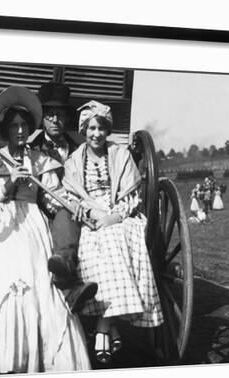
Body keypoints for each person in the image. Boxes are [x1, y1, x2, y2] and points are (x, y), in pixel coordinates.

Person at [0, 86, 91, 375]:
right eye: (14, 125)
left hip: (31, 221)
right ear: (5, 128)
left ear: (30, 128)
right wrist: (5, 187)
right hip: (1, 222)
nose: (20, 130)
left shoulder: (40, 160)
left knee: (39, 278)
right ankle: (1, 359)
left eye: (24, 125)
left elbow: (53, 200)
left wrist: (69, 206)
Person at [63, 100, 164, 364]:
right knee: (88, 247)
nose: (96, 134)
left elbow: (131, 194)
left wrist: (115, 216)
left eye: (101, 128)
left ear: (107, 131)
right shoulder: (75, 160)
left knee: (118, 236)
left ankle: (103, 328)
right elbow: (72, 196)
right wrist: (90, 213)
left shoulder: (120, 155)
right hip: (89, 216)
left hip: (119, 213)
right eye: (91, 128)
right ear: (84, 130)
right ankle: (112, 323)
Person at [31, 82, 97, 313]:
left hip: (80, 208)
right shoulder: (32, 149)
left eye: (60, 115)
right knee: (63, 214)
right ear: (42, 119)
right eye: (50, 115)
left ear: (67, 118)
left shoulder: (81, 147)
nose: (55, 120)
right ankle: (64, 270)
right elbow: (35, 192)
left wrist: (83, 204)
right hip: (45, 210)